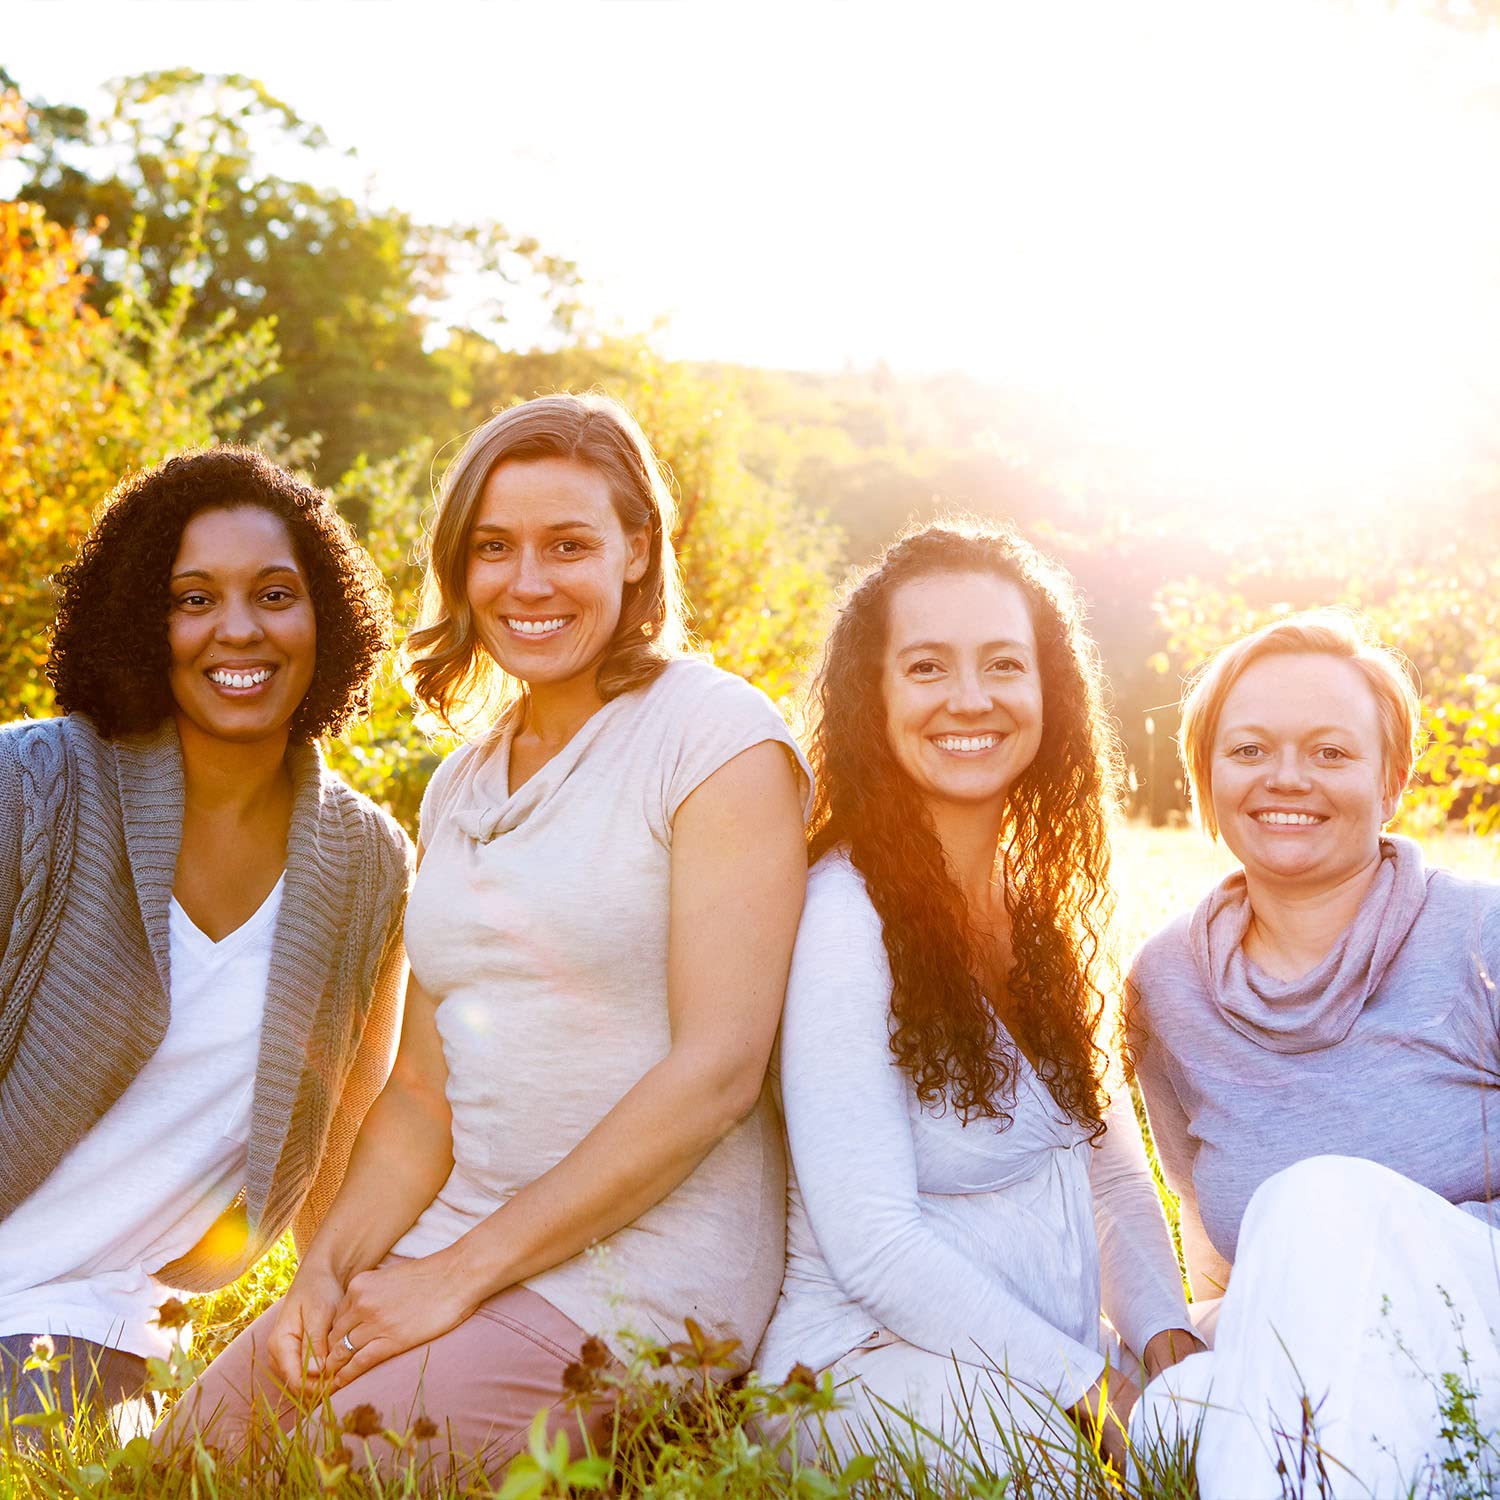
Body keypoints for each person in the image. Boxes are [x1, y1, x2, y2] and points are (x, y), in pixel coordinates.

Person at [163, 394, 811, 1477]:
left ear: (639, 550)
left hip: (643, 1275)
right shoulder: (463, 781)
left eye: (569, 545)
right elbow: (422, 1095)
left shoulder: (716, 738)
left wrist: (457, 1276)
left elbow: (719, 1072)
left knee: (333, 1472)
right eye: (494, 548)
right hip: (456, 1239)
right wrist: (327, 1270)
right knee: (187, 1461)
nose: (528, 582)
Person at [754, 519, 1197, 1481]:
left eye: (1004, 664)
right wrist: (1093, 1393)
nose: (970, 699)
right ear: (872, 698)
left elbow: (1115, 1178)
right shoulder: (846, 913)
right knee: (1061, 1482)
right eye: (927, 668)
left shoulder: (1043, 909)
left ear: (1050, 692)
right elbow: (872, 1245)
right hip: (860, 1371)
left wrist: (1168, 1352)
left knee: (1263, 1416)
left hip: (1049, 1355)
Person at [0, 448, 414, 1424]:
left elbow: (349, 1148)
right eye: (193, 598)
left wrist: (342, 1340)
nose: (238, 629)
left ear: (327, 621)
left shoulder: (369, 871)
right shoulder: (30, 788)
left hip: (79, 1332)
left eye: (275, 594)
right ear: (145, 622)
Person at [1128, 608, 1500, 1498]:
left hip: (1475, 1329)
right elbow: (1212, 1243)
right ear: (1204, 775)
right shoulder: (1168, 981)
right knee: (1171, 1409)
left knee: (1315, 1198)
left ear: (1393, 777)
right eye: (1249, 750)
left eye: (1331, 752)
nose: (1285, 778)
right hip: (1302, 1344)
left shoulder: (1479, 936)